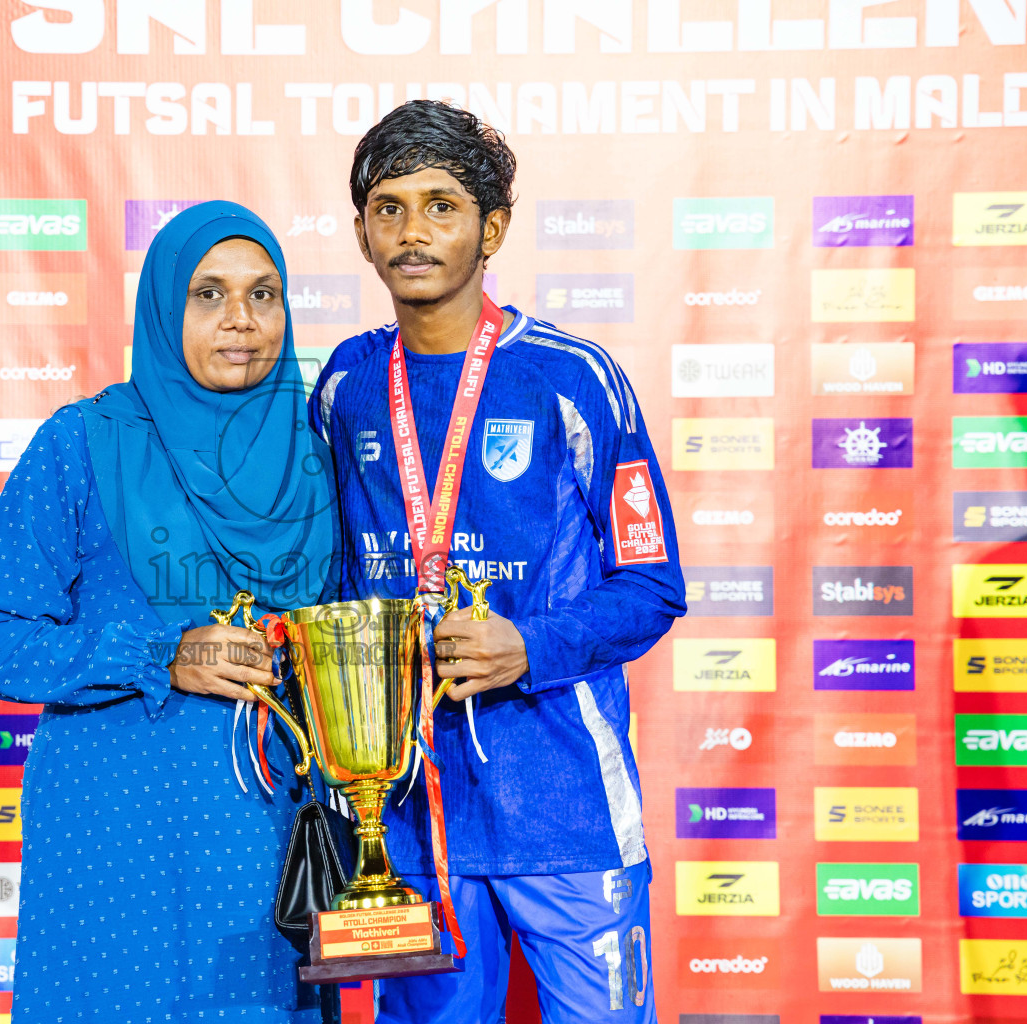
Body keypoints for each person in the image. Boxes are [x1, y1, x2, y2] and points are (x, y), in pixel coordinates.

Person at [307, 101, 686, 1024]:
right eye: (388, 208)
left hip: (561, 799)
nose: (412, 231)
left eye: (441, 205)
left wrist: (532, 646)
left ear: (494, 228)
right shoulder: (345, 387)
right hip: (400, 810)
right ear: (360, 234)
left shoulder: (573, 378)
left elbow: (651, 583)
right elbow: (330, 583)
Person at [0, 201, 338, 1023]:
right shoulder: (83, 442)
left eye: (263, 294)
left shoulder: (319, 453)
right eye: (208, 294)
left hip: (269, 845)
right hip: (112, 831)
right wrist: (157, 656)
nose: (241, 320)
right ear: (164, 307)